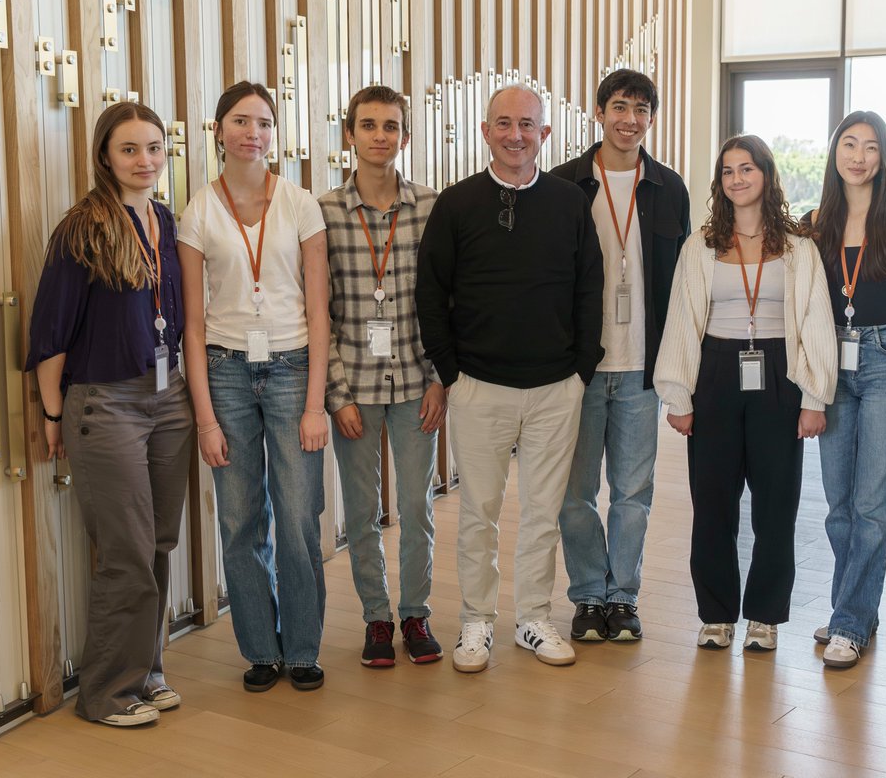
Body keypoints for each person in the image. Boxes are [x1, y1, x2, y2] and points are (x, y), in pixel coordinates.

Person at [416, 84, 604, 673]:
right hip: (479, 385)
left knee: (544, 511)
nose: (515, 134)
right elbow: (431, 293)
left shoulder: (570, 203)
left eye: (527, 124)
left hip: (555, 387)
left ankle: (532, 617)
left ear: (545, 134)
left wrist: (580, 370)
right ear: (485, 131)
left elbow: (588, 288)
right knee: (479, 511)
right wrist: (452, 373)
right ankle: (476, 622)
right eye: (504, 123)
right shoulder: (456, 203)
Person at [26, 101, 192, 726]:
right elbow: (52, 331)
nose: (145, 161)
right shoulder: (82, 227)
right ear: (104, 156)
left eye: (154, 148)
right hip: (105, 402)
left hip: (168, 396)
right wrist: (51, 412)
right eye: (130, 149)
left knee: (159, 543)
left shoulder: (166, 221)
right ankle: (105, 694)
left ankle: (147, 672)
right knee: (125, 551)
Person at [654, 134, 836, 651]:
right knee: (713, 502)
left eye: (747, 169)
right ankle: (716, 614)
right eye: (728, 171)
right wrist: (679, 397)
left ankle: (764, 616)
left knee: (777, 503)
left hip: (778, 373)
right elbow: (684, 321)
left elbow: (816, 321)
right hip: (714, 372)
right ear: (720, 182)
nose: (737, 178)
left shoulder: (799, 249)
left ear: (766, 176)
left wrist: (813, 398)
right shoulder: (702, 245)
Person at [178, 81, 331, 692]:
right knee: (241, 520)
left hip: (294, 369)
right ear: (218, 131)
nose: (253, 132)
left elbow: (320, 312)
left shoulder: (300, 204)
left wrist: (316, 402)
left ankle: (301, 648)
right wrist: (206, 420)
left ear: (275, 133)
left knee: (297, 518)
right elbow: (191, 325)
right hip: (226, 372)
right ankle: (260, 650)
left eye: (264, 122)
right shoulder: (197, 212)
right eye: (240, 121)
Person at [551, 69, 691, 643]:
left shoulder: (669, 187)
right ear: (599, 112)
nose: (629, 119)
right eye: (619, 106)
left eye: (641, 109)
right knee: (575, 491)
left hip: (642, 367)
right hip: (579, 367)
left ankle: (623, 595)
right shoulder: (563, 184)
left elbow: (682, 286)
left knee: (633, 492)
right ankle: (587, 595)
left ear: (651, 119)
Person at [318, 85, 444, 667]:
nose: (378, 136)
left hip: (419, 381)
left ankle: (415, 613)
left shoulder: (431, 206)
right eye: (367, 125)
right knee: (363, 511)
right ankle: (375, 618)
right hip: (354, 388)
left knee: (417, 507)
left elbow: (447, 301)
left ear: (405, 137)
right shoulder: (322, 213)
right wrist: (335, 392)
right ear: (349, 134)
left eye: (390, 126)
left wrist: (441, 377)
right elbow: (318, 310)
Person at [803, 110, 886, 669]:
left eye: (870, 146)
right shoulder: (812, 222)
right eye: (848, 144)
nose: (858, 156)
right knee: (838, 504)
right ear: (835, 153)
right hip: (831, 358)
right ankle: (856, 608)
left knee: (872, 503)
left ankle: (849, 620)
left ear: (884, 157)